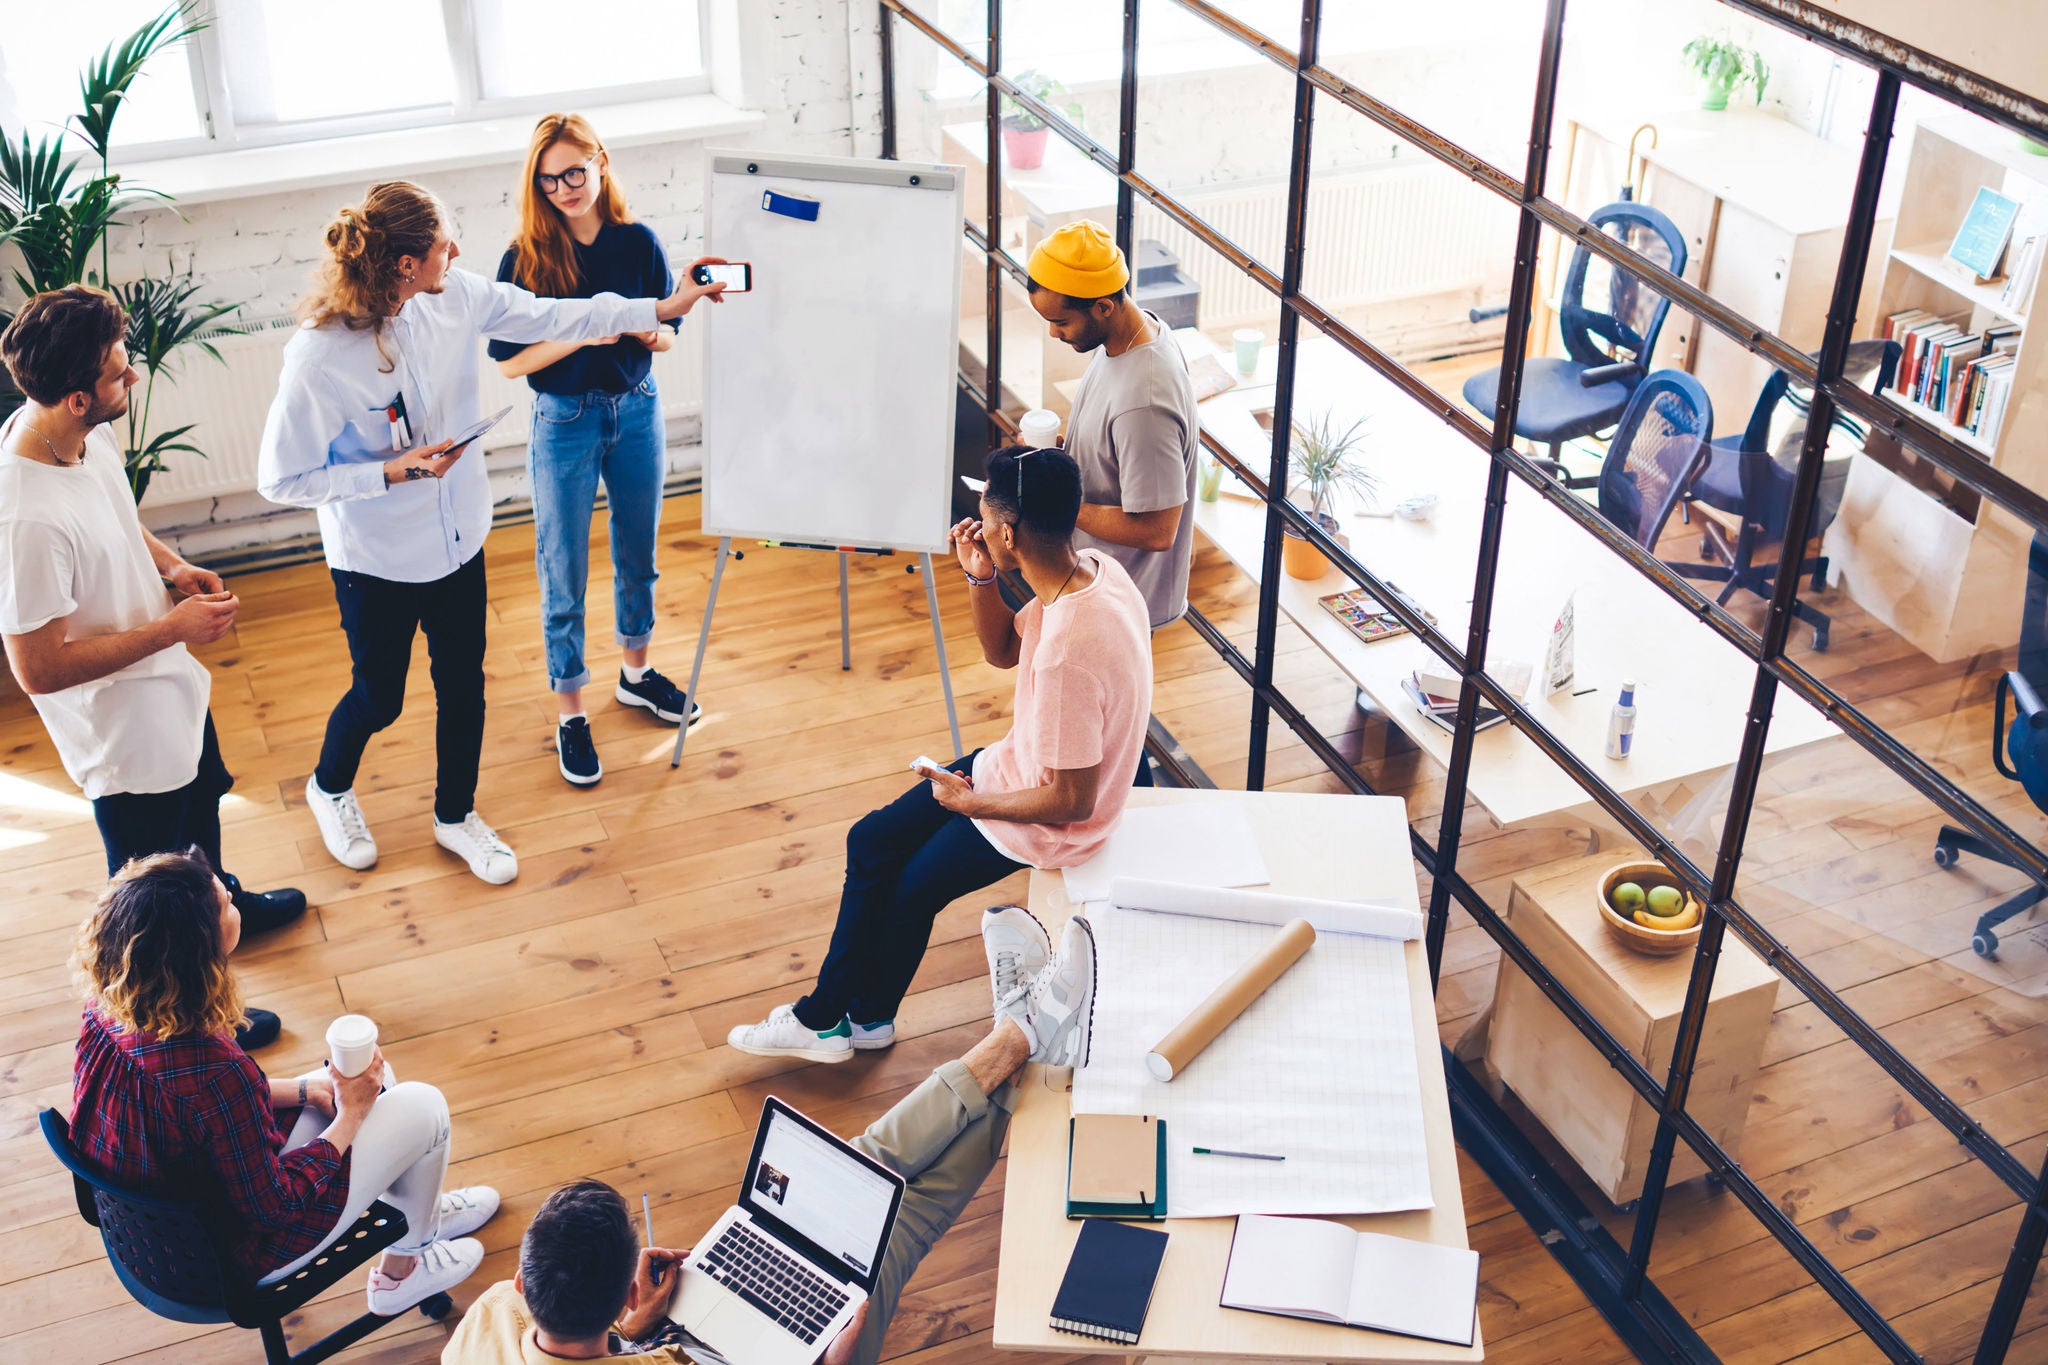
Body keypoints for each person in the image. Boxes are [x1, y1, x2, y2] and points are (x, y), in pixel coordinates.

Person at [258, 180, 726, 884]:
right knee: (379, 696)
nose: (458, 248)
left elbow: (553, 315)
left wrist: (665, 306)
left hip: (459, 537)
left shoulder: (456, 296)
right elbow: (282, 478)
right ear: (405, 265)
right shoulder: (320, 357)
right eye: (444, 241)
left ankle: (455, 815)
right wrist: (388, 473)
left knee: (464, 687)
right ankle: (329, 785)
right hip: (376, 555)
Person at [442, 908, 1096, 1365]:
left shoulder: (489, 1323)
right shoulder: (502, 1304)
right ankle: (1024, 1035)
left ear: (527, 1287)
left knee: (857, 1170)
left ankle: (1025, 1038)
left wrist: (632, 1330)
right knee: (892, 1227)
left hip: (658, 1335)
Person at [726, 445, 1148, 1062]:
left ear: (1009, 532)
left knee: (907, 890)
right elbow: (1003, 650)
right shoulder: (1095, 572)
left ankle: (830, 1020)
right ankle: (862, 1020)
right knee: (870, 842)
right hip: (1018, 763)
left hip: (1047, 822)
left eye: (985, 513)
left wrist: (972, 803)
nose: (975, 519)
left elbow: (1071, 799)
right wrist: (981, 575)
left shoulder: (1066, 653)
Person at [0, 285, 304, 1051]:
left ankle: (225, 903)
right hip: (124, 740)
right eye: (117, 372)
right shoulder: (26, 518)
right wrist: (170, 629)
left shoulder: (76, 432)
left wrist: (173, 568)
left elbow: (118, 516)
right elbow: (36, 668)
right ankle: (195, 1021)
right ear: (77, 397)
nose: (131, 377)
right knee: (152, 906)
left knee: (203, 809)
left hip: (168, 692)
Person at [69, 850, 503, 1313]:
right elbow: (274, 1206)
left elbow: (198, 1106)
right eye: (224, 904)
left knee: (368, 1079)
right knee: (423, 1107)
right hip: (222, 1259)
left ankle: (424, 1217)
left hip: (150, 1232)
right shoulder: (217, 1073)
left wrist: (304, 1089)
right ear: (199, 948)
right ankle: (405, 1268)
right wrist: (351, 1115)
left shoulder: (112, 1006)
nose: (232, 894)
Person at [490, 114, 701, 789]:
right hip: (563, 421)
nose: (562, 188)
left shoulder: (637, 241)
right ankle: (571, 710)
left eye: (573, 172)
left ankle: (636, 676)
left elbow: (666, 332)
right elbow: (510, 363)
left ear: (600, 163)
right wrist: (586, 331)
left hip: (636, 409)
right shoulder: (523, 258)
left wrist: (641, 332)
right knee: (564, 567)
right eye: (548, 179)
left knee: (638, 551)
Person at [1025, 220, 1199, 786]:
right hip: (1098, 577)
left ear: (1103, 306)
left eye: (1060, 321)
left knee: (1107, 742)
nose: (1053, 334)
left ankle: (1102, 826)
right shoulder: (1130, 335)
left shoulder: (1142, 400)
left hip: (1121, 594)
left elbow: (1156, 530)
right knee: (1101, 728)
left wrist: (1055, 501)